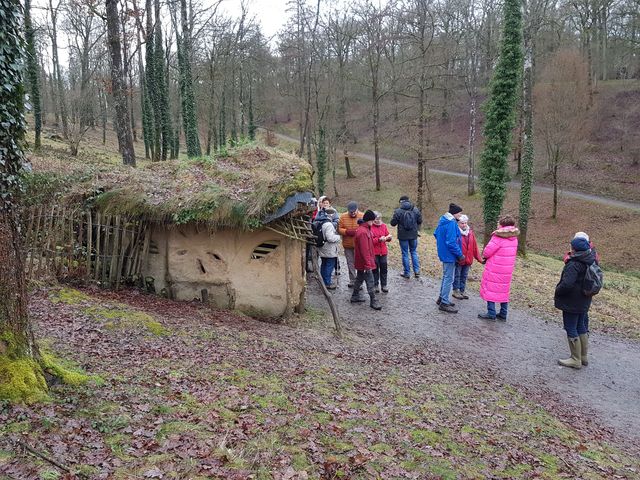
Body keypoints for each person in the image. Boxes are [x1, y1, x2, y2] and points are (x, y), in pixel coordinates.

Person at [554, 235, 597, 369]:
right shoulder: (591, 260)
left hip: (572, 302)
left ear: (574, 249)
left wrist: (558, 290)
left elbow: (567, 284)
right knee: (581, 326)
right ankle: (583, 357)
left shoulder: (574, 264)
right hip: (584, 300)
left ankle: (575, 359)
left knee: (571, 327)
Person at [478, 215, 519, 321]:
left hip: (495, 267)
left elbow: (487, 252)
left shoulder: (498, 236)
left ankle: (491, 313)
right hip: (507, 269)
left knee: (491, 288)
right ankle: (503, 313)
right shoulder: (514, 238)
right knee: (503, 290)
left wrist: (484, 256)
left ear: (502, 225)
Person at [434, 203, 465, 313]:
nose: (460, 216)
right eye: (460, 213)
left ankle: (442, 298)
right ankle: (444, 303)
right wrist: (460, 254)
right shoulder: (451, 223)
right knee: (449, 278)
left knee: (446, 276)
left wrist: (441, 245)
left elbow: (435, 233)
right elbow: (451, 242)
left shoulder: (442, 220)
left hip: (444, 252)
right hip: (449, 255)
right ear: (455, 213)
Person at [351, 210, 382, 310]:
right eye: (372, 221)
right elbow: (365, 250)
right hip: (364, 262)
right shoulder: (363, 232)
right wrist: (368, 264)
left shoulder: (365, 229)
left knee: (360, 278)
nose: (373, 223)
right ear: (368, 220)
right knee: (370, 280)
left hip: (362, 261)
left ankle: (355, 296)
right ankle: (373, 300)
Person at [390, 195, 422, 278]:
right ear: (408, 200)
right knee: (414, 252)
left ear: (401, 202)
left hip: (403, 236)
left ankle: (407, 273)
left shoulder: (398, 211)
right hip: (413, 235)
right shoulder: (415, 209)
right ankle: (417, 271)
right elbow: (420, 221)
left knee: (405, 253)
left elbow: (393, 223)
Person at [452, 214, 483, 300]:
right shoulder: (455, 232)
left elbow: (475, 247)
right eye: (462, 223)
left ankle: (462, 290)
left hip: (468, 259)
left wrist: (480, 259)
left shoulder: (470, 233)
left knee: (464, 276)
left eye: (465, 223)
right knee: (457, 275)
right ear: (458, 223)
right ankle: (456, 290)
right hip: (459, 259)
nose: (464, 225)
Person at [338, 201, 364, 288]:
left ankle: (359, 281)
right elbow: (339, 229)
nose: (352, 213)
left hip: (360, 245)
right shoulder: (343, 217)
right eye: (351, 212)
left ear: (357, 209)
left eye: (354, 212)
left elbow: (366, 228)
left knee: (360, 263)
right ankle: (353, 280)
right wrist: (347, 231)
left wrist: (359, 232)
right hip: (348, 244)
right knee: (350, 263)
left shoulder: (362, 216)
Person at [315, 207, 341, 290]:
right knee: (329, 265)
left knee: (324, 264)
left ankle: (323, 281)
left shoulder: (320, 222)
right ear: (331, 215)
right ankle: (327, 283)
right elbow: (330, 238)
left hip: (322, 247)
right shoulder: (329, 224)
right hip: (329, 249)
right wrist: (338, 237)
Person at [371, 211, 392, 293]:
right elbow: (370, 241)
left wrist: (388, 238)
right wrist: (379, 240)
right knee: (375, 268)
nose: (378, 220)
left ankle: (384, 285)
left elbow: (387, 235)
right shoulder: (370, 227)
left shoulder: (384, 226)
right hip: (374, 252)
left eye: (379, 219)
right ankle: (375, 285)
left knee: (384, 268)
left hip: (383, 251)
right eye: (376, 219)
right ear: (373, 219)